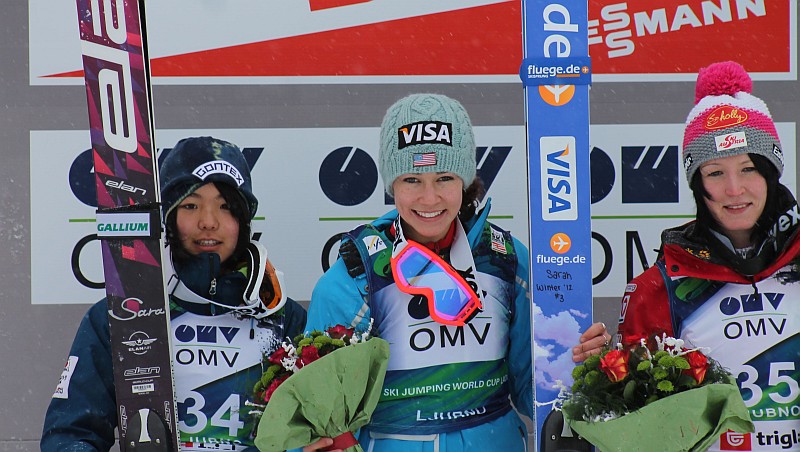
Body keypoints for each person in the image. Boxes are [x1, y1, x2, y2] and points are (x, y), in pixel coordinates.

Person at [303, 93, 601, 451]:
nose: (430, 198)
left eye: (444, 177)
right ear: (392, 184)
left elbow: (536, 392)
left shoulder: (505, 260)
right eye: (412, 179)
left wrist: (582, 367)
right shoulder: (355, 277)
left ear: (464, 180)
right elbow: (314, 416)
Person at [41, 136, 316, 451]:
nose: (208, 222)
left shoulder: (281, 317)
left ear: (243, 219)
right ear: (168, 218)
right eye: (191, 205)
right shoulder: (124, 315)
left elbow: (313, 432)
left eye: (225, 206)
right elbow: (69, 435)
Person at [616, 61, 797, 450]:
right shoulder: (660, 287)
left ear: (771, 172)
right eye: (715, 173)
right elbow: (640, 426)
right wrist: (601, 367)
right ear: (697, 185)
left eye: (748, 168)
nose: (734, 189)